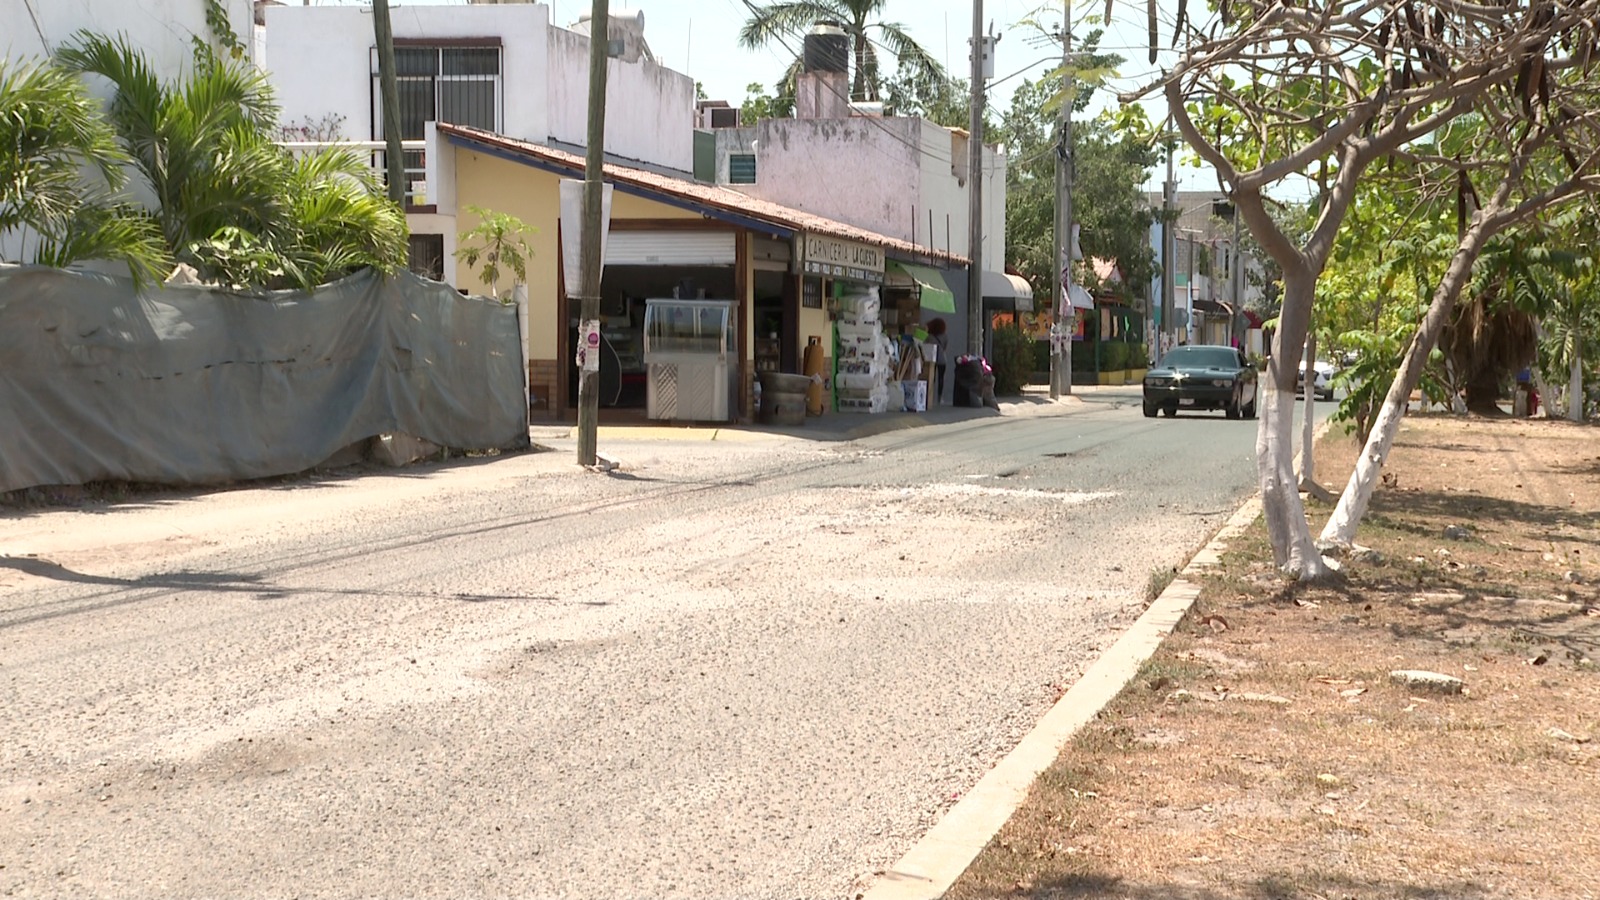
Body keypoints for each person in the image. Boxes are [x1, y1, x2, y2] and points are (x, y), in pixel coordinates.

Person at [927, 317, 949, 405]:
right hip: (942, 359)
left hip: (932, 359)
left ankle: (930, 396)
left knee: (931, 378)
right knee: (941, 379)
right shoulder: (945, 336)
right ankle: (940, 398)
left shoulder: (929, 336)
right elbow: (945, 347)